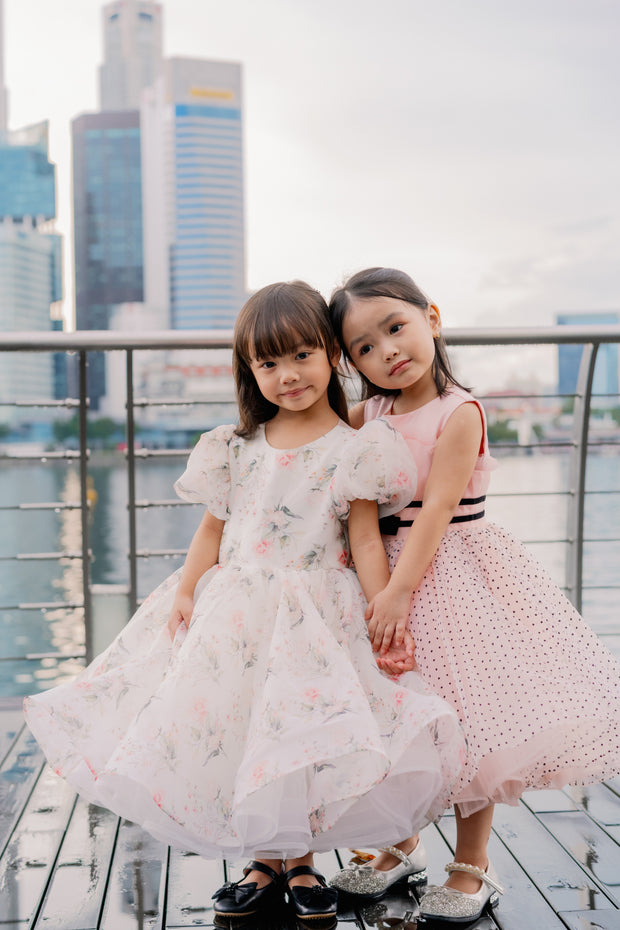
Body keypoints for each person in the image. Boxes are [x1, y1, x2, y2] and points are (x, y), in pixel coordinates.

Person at [24, 281, 465, 927]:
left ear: (332, 357)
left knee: (299, 735)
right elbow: (212, 529)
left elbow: (366, 539)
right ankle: (262, 859)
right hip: (236, 613)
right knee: (240, 729)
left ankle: (306, 857)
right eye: (268, 363)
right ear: (249, 371)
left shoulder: (357, 449)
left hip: (318, 617)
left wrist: (381, 610)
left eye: (301, 356)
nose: (288, 376)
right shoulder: (233, 447)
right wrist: (184, 591)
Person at [327, 267, 620, 924]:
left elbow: (433, 513)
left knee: (466, 724)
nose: (386, 353)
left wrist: (400, 593)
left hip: (447, 574)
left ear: (430, 316)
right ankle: (402, 846)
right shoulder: (369, 413)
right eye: (364, 349)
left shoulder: (459, 411)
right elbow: (323, 445)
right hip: (379, 580)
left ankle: (473, 863)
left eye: (394, 328)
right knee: (389, 716)